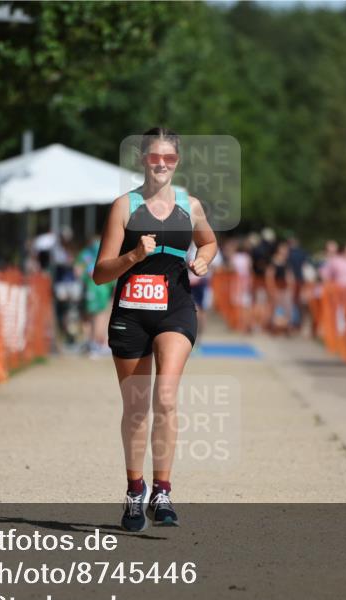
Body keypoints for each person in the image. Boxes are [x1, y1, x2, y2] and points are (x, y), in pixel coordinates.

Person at [93, 127, 217, 532]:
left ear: (177, 162)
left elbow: (209, 242)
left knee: (165, 397)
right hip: (131, 313)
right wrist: (133, 255)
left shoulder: (189, 205)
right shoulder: (123, 207)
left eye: (169, 158)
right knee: (135, 408)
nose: (161, 164)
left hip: (174, 310)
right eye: (154, 157)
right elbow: (100, 273)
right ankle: (135, 492)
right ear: (142, 159)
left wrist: (204, 259)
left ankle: (162, 492)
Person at [75, 234, 114, 358]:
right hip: (101, 289)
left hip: (91, 288)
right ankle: (96, 344)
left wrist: (85, 278)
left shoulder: (85, 253)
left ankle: (92, 343)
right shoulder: (106, 250)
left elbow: (77, 271)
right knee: (99, 316)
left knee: (90, 317)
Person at [265, 241, 295, 335]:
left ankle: (286, 326)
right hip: (276, 287)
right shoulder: (274, 262)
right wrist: (272, 288)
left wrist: (290, 286)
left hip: (285, 288)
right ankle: (274, 327)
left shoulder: (287, 262)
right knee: (275, 308)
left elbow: (289, 276)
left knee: (287, 308)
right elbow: (270, 276)